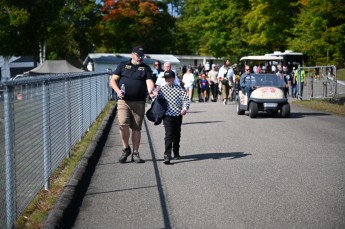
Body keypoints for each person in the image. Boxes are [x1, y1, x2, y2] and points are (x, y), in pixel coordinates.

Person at [110, 45, 155, 163]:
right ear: (133, 54)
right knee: (122, 124)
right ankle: (126, 149)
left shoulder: (145, 68)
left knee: (136, 128)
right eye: (139, 55)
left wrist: (150, 91)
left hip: (139, 102)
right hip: (123, 101)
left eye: (142, 56)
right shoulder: (122, 65)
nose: (141, 58)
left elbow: (149, 81)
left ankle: (135, 153)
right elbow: (113, 80)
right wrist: (118, 91)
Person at [156, 70, 190, 164]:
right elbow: (158, 102)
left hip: (178, 115)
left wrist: (185, 108)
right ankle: (167, 154)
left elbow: (186, 100)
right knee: (169, 135)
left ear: (173, 78)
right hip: (167, 116)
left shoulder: (179, 89)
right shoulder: (162, 89)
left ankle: (176, 151)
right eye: (166, 78)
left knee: (177, 134)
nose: (167, 80)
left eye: (169, 78)